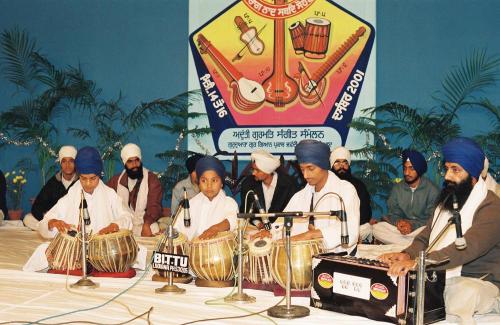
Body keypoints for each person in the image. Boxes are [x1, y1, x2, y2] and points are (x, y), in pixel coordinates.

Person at [379, 137, 500, 324]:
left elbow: (466, 248)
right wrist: (406, 254)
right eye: (447, 168)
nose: (447, 176)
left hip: (480, 281)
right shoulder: (449, 198)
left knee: (465, 293)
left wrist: (419, 263)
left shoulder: (492, 207)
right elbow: (428, 233)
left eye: (456, 170)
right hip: (440, 271)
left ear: (474, 176)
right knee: (404, 280)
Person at [267, 140, 360, 254]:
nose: (305, 175)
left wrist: (311, 235)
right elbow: (281, 224)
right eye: (302, 169)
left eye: (310, 168)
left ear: (324, 166)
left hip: (341, 261)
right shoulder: (300, 196)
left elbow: (351, 231)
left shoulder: (345, 190)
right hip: (308, 259)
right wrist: (269, 233)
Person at [38, 146, 133, 239]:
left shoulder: (109, 194)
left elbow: (127, 217)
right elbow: (44, 222)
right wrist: (52, 223)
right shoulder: (72, 194)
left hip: (103, 249)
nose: (88, 184)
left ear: (99, 175)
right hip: (76, 249)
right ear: (79, 175)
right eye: (83, 178)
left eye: (92, 178)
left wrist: (116, 225)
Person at [372, 149, 439, 245]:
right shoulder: (397, 188)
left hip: (419, 230)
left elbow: (432, 219)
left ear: (419, 170)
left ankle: (408, 243)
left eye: (411, 168)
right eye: (405, 168)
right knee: (377, 229)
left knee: (431, 232)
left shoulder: (432, 191)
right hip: (401, 230)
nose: (407, 173)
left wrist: (412, 225)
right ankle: (415, 244)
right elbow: (393, 213)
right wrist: (399, 222)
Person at [173, 156, 237, 241]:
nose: (209, 186)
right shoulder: (191, 204)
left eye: (214, 180)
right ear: (198, 183)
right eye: (204, 181)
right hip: (192, 250)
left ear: (221, 183)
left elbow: (233, 219)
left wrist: (216, 228)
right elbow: (177, 227)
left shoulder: (229, 203)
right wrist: (170, 233)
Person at [107, 143, 162, 237]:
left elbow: (154, 206)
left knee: (153, 229)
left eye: (137, 160)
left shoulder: (151, 179)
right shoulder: (115, 181)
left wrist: (146, 224)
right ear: (124, 162)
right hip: (124, 226)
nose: (134, 165)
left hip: (146, 223)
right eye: (130, 161)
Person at [23, 146, 79, 230]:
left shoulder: (81, 182)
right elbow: (37, 206)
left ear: (75, 163)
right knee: (27, 219)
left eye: (71, 161)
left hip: (73, 221)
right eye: (64, 161)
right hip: (54, 220)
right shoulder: (53, 182)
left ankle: (56, 230)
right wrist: (49, 219)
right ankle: (55, 229)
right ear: (60, 163)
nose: (67, 165)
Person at [240, 149, 297, 229]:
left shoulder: (289, 184)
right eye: (253, 169)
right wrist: (258, 223)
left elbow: (292, 213)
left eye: (257, 170)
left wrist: (273, 228)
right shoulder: (248, 184)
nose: (253, 173)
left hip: (282, 229)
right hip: (256, 229)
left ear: (268, 171)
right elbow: (245, 210)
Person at [330, 146, 372, 241]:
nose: (342, 166)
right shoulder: (326, 184)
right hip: (330, 228)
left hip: (353, 227)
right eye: (337, 162)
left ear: (348, 165)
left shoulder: (358, 185)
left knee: (367, 227)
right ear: (332, 164)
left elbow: (365, 212)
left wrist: (351, 227)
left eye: (345, 163)